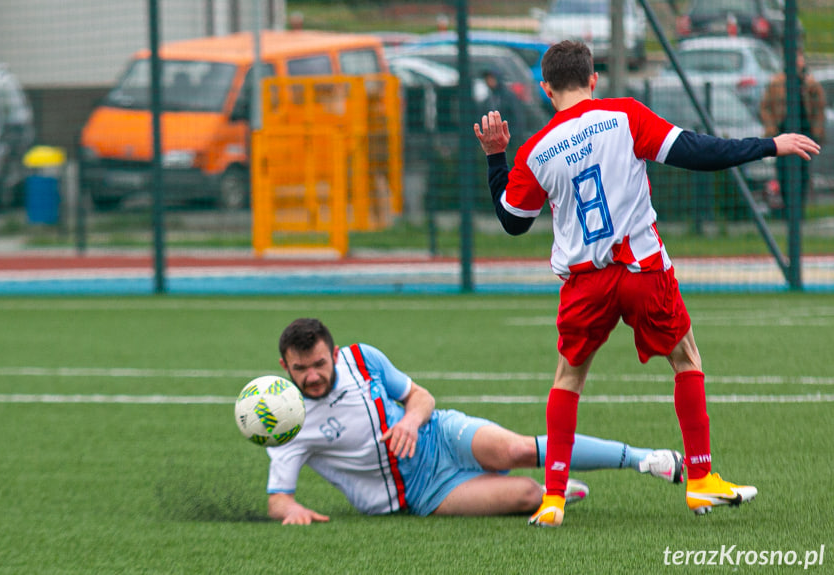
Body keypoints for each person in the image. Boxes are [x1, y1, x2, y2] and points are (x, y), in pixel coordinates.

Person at [473, 40, 820, 528]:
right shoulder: (623, 116)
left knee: (567, 378)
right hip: (641, 269)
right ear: (594, 79)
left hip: (584, 283)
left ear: (545, 88)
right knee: (686, 358)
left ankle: (552, 498)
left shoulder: (534, 150)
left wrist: (496, 158)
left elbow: (512, 222)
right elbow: (698, 152)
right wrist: (769, 145)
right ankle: (700, 481)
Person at [266, 318, 685, 525]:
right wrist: (292, 510)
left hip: (439, 434)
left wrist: (412, 421)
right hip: (422, 492)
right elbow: (278, 497)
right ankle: (551, 489)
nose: (313, 375)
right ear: (285, 365)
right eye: (302, 369)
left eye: (320, 363)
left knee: (516, 449)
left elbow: (420, 397)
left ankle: (645, 459)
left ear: (334, 352)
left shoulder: (361, 358)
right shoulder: (287, 423)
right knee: (525, 496)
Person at [759, 47, 827, 219]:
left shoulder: (810, 84)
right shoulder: (777, 83)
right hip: (783, 133)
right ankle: (788, 209)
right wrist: (771, 128)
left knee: (802, 172)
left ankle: (799, 211)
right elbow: (765, 107)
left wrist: (817, 130)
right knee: (783, 171)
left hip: (804, 132)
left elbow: (819, 108)